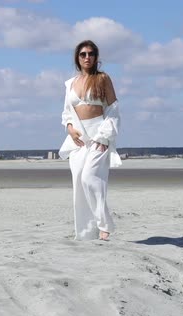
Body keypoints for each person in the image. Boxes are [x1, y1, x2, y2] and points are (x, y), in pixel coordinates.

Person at [59, 40, 122, 241]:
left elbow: (113, 109)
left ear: (96, 57)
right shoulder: (70, 84)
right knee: (79, 183)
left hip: (99, 135)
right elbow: (67, 113)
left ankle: (105, 225)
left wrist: (104, 136)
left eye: (91, 53)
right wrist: (69, 129)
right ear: (77, 58)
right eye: (83, 54)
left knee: (90, 178)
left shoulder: (102, 79)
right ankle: (87, 234)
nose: (87, 57)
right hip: (78, 140)